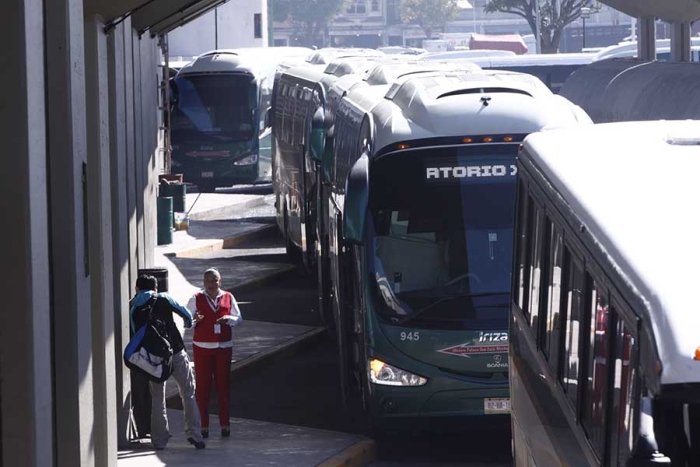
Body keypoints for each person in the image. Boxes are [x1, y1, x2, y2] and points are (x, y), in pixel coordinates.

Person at [130, 274, 206, 450]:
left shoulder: (133, 306)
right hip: (176, 351)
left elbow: (136, 333)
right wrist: (189, 324)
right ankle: (194, 434)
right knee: (188, 392)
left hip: (153, 358)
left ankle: (159, 439)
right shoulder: (164, 298)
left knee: (157, 396)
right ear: (156, 288)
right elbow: (186, 314)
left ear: (137, 289)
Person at [188, 267, 243, 438]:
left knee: (223, 386)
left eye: (214, 281)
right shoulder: (196, 298)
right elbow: (188, 321)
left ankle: (225, 425)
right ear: (203, 283)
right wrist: (195, 319)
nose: (211, 284)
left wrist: (229, 319)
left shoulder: (228, 297)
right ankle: (203, 426)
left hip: (224, 347)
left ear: (220, 281)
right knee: (203, 387)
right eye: (208, 281)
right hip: (202, 348)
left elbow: (239, 318)